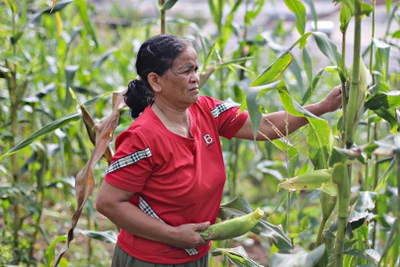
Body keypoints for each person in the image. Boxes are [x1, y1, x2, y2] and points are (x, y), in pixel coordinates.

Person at [96, 34, 342, 267]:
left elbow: (264, 126)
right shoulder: (142, 138)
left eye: (195, 69)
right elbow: (108, 203)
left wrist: (322, 107)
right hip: (150, 260)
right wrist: (173, 235)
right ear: (155, 81)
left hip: (194, 255)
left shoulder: (206, 110)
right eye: (185, 71)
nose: (195, 77)